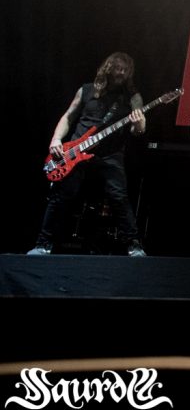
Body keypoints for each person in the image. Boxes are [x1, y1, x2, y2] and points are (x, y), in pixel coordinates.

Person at [29, 52, 147, 257]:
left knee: (119, 197)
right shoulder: (86, 90)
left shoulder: (133, 97)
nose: (121, 73)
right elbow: (68, 117)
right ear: (108, 68)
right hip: (76, 150)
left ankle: (134, 245)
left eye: (126, 70)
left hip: (110, 153)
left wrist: (139, 124)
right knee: (61, 196)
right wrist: (56, 140)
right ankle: (43, 244)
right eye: (118, 68)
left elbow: (138, 130)